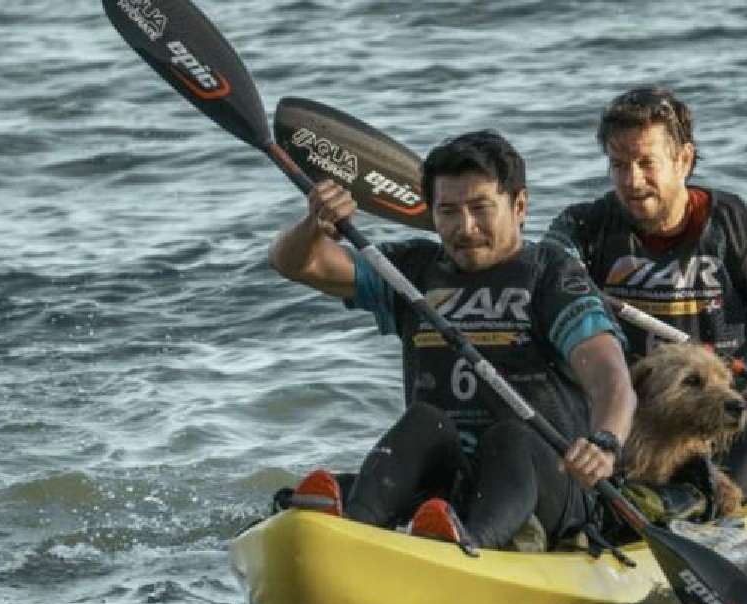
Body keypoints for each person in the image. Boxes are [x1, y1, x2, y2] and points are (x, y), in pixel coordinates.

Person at [268, 130, 636, 551]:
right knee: (425, 421)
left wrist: (605, 443)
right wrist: (313, 226)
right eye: (448, 212)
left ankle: (473, 547)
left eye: (480, 209)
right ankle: (352, 533)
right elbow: (294, 263)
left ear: (519, 206)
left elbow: (609, 375)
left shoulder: (552, 275)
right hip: (451, 486)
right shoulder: (413, 271)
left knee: (509, 435)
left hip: (548, 484)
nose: (465, 228)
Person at [544, 86, 747, 513]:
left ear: (683, 160)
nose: (632, 181)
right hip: (634, 418)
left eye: (647, 163)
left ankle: (704, 502)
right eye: (619, 165)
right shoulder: (584, 226)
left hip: (734, 415)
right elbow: (538, 276)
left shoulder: (734, 228)